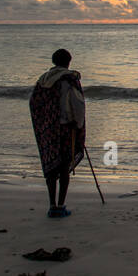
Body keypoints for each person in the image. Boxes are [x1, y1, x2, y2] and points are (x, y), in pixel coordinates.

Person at [28, 48, 86, 218]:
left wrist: (44, 121)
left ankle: (52, 205)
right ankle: (60, 206)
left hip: (47, 129)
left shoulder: (43, 80)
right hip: (65, 128)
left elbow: (33, 102)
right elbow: (77, 104)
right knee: (64, 168)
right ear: (68, 62)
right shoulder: (68, 79)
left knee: (51, 167)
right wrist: (79, 124)